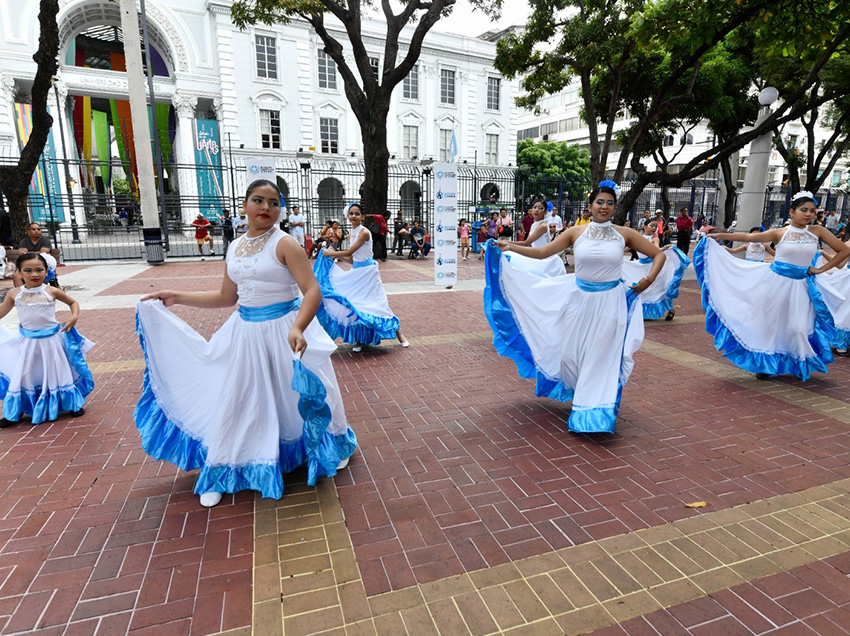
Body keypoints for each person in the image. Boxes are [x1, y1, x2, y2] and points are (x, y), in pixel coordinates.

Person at [134, 179, 356, 508]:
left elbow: (312, 291)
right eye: (258, 200)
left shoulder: (285, 244)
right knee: (239, 397)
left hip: (283, 330)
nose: (266, 207)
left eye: (273, 202)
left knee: (297, 396)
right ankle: (223, 467)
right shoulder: (234, 246)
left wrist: (298, 326)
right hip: (244, 332)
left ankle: (332, 445)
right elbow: (227, 297)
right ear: (244, 206)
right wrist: (176, 296)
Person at [484, 180, 665, 433]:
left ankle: (594, 411)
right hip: (579, 301)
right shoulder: (575, 233)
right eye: (599, 202)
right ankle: (583, 394)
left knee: (601, 356)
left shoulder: (624, 234)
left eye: (610, 203)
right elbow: (542, 253)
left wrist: (648, 280)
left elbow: (660, 255)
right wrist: (510, 246)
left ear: (614, 207)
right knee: (573, 355)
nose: (604, 207)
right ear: (590, 206)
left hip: (610, 303)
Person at [694, 191, 850, 381]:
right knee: (771, 324)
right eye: (803, 210)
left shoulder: (818, 231)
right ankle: (766, 365)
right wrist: (721, 235)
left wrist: (821, 269)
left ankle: (796, 362)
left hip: (801, 287)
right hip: (775, 284)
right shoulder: (779, 233)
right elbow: (748, 237)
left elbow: (843, 251)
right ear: (792, 212)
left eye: (812, 210)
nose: (808, 214)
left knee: (798, 327)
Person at [0, 252, 93, 427]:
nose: (34, 274)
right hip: (27, 342)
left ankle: (71, 404)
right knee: (25, 373)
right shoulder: (14, 294)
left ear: (46, 271)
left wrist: (74, 317)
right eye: (27, 270)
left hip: (52, 340)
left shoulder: (51, 290)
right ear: (19, 272)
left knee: (57, 370)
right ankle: (18, 409)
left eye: (39, 270)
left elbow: (73, 303)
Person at [313, 202, 409, 352]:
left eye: (357, 214)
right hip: (356, 272)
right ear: (347, 216)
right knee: (354, 304)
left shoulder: (364, 232)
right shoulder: (351, 234)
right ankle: (358, 340)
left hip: (369, 273)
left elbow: (348, 252)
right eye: (351, 213)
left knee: (379, 304)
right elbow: (352, 259)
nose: (354, 216)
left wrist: (331, 253)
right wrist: (332, 257)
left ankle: (399, 334)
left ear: (362, 217)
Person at [621, 221, 690, 320]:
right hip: (640, 266)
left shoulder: (654, 238)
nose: (654, 228)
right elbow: (628, 248)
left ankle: (671, 309)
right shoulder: (637, 238)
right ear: (645, 226)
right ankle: (642, 312)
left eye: (656, 227)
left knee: (659, 290)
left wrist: (663, 249)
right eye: (651, 225)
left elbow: (656, 250)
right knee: (639, 288)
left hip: (652, 267)